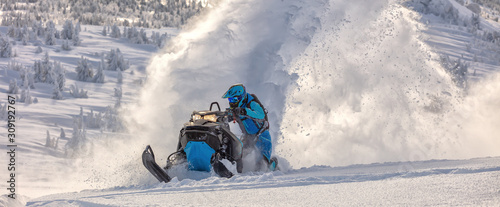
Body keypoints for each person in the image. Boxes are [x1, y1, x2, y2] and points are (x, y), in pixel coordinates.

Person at [222, 84, 277, 171]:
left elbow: (261, 115)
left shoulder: (252, 103)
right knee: (238, 156)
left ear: (241, 97)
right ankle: (238, 171)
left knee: (262, 166)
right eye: (230, 99)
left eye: (234, 99)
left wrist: (245, 111)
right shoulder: (235, 108)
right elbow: (228, 117)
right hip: (248, 137)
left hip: (262, 136)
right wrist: (223, 118)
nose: (231, 102)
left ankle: (274, 165)